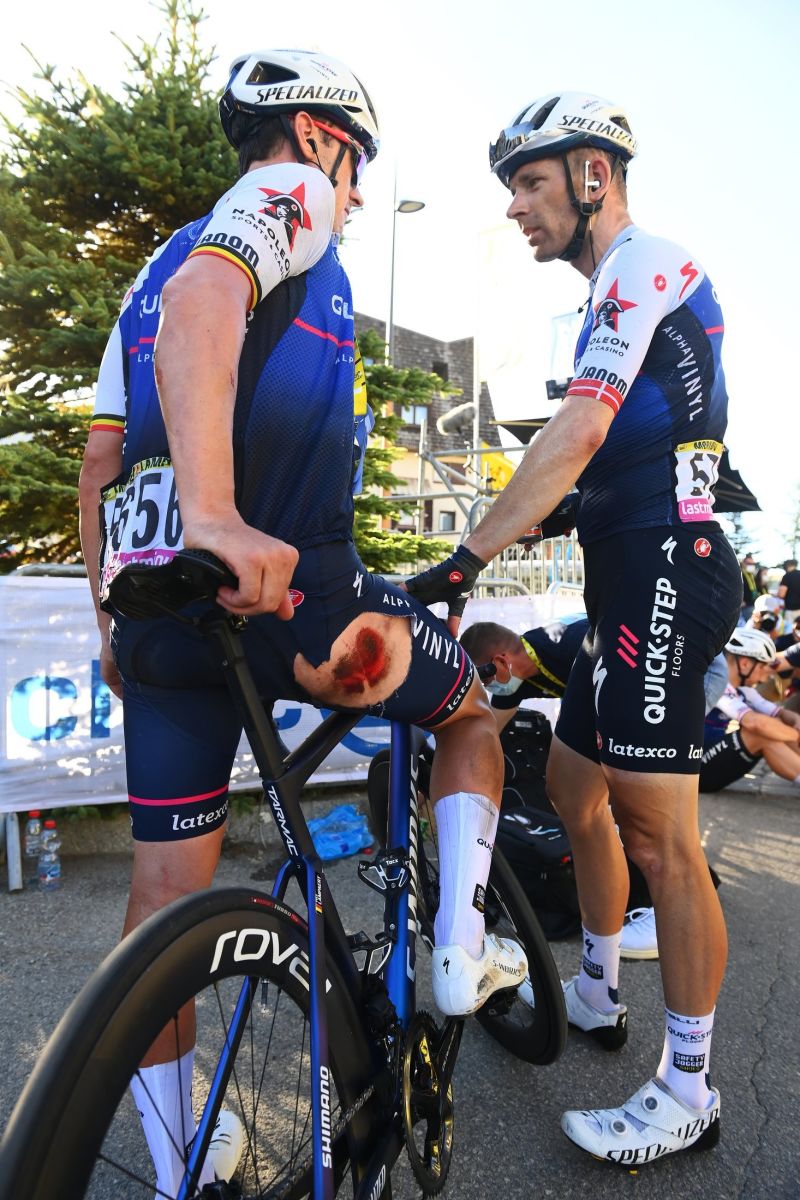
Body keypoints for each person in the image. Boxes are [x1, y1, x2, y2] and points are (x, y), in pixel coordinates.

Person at [78, 49, 524, 1197]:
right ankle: (458, 955)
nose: (355, 192)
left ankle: (179, 1162)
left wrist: (108, 622)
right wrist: (218, 514)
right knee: (472, 714)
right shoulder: (292, 193)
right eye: (356, 161)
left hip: (159, 619)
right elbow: (207, 302)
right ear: (320, 136)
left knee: (162, 906)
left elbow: (99, 463)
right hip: (292, 603)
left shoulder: (144, 275)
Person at [406, 91, 741, 1166]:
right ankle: (596, 986)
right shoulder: (614, 290)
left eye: (530, 181)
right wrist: (545, 516)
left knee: (660, 838)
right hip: (626, 574)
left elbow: (582, 429)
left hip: (668, 571)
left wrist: (466, 557)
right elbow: (606, 458)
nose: (514, 206)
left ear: (594, 175)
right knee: (570, 788)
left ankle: (687, 1087)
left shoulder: (643, 263)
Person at [699, 628, 800, 792]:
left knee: (776, 725)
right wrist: (797, 734)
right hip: (693, 772)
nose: (767, 675)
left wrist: (796, 721)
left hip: (708, 761)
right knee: (759, 732)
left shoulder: (745, 691)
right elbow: (756, 724)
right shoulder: (714, 684)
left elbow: (780, 713)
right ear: (745, 664)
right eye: (763, 667)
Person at [459, 616, 590, 730]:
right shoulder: (513, 682)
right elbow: (488, 733)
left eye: (485, 681)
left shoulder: (578, 644)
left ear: (501, 662)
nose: (487, 687)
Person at [740, 552, 760, 621]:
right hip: (745, 606)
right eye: (749, 563)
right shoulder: (740, 574)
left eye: (752, 564)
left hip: (753, 604)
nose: (751, 565)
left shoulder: (752, 576)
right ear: (743, 564)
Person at [778, 558, 800, 623]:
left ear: (787, 566)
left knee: (790, 628)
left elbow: (781, 594)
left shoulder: (787, 576)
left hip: (791, 610)